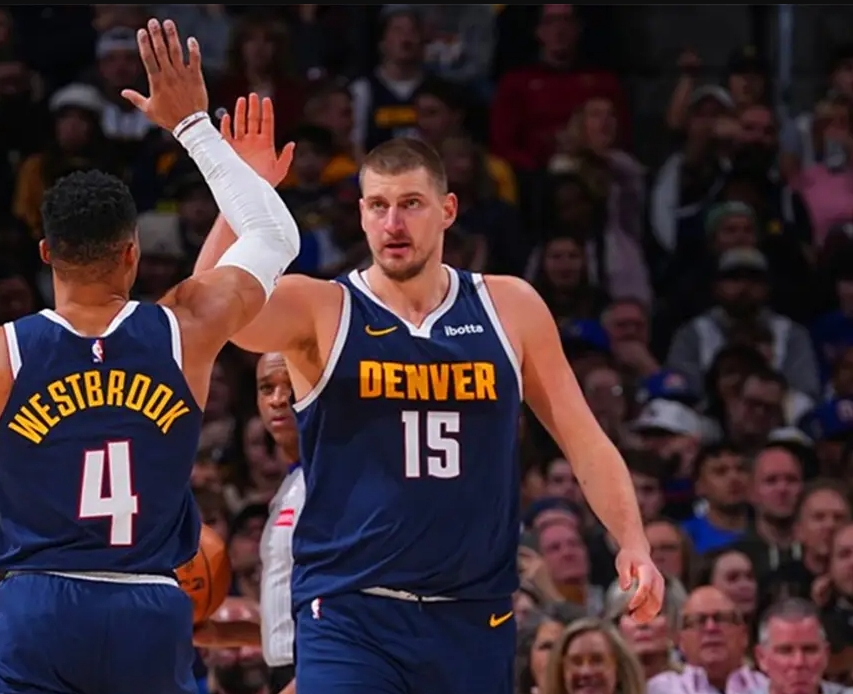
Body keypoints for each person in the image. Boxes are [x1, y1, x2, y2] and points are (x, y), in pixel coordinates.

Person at [192, 94, 666, 694]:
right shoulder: (322, 308)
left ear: (447, 210)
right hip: (350, 612)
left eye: (411, 204)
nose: (393, 224)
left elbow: (584, 440)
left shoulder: (509, 306)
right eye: (379, 206)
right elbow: (203, 311)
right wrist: (245, 191)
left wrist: (633, 540)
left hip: (473, 616)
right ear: (361, 214)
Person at [0, 19, 300, 694]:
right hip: (147, 606)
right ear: (132, 252)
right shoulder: (184, 330)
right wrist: (195, 128)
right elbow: (274, 235)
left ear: (46, 252)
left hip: (37, 604)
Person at [257, 353, 305, 694]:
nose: (278, 399)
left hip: (318, 671)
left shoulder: (334, 480)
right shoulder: (291, 484)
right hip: (287, 670)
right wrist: (224, 634)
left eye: (291, 386)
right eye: (267, 388)